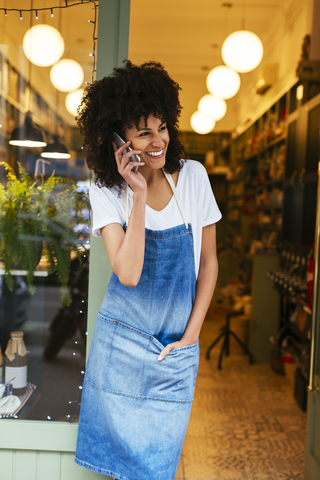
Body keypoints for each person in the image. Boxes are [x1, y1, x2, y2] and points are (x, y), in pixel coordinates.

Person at [75, 60, 221, 480]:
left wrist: (191, 338)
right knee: (114, 471)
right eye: (143, 132)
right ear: (119, 140)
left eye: (162, 127)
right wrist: (137, 195)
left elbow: (209, 263)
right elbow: (130, 273)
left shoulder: (193, 177)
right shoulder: (106, 191)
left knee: (159, 468)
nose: (158, 141)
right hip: (119, 350)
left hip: (173, 348)